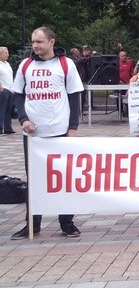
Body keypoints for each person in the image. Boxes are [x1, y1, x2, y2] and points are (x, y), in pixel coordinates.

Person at [10, 27, 85, 240]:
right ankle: (33, 224)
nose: (35, 46)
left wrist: (73, 127)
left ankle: (67, 222)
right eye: (33, 41)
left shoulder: (65, 64)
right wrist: (23, 120)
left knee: (64, 178)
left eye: (40, 41)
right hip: (34, 135)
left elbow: (74, 96)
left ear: (52, 41)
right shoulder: (25, 65)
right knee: (34, 179)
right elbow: (18, 95)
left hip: (60, 131)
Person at [0, 47, 14, 134]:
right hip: (3, 89)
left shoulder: (7, 64)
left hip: (10, 89)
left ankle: (8, 128)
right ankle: (0, 127)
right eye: (5, 53)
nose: (8, 54)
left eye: (7, 52)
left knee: (9, 109)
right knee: (2, 108)